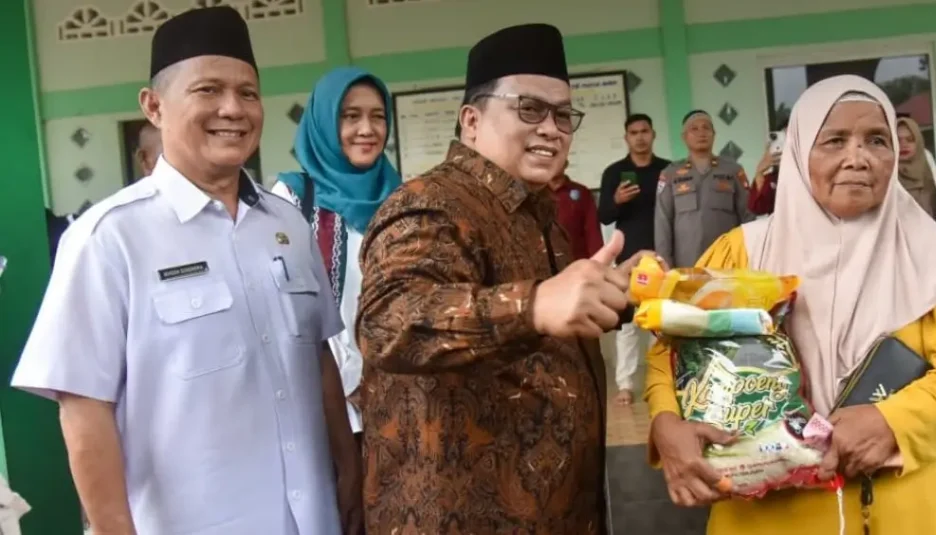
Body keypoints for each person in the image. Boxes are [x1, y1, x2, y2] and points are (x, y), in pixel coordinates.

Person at [10, 7, 361, 535]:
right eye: (208, 90)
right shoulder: (109, 238)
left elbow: (318, 359)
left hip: (311, 519)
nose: (233, 109)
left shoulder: (286, 223)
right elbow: (84, 409)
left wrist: (350, 472)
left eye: (248, 92)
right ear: (153, 106)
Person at [643, 75, 936, 534]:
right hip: (762, 513)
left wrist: (891, 422)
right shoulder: (743, 252)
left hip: (895, 510)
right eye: (834, 141)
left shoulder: (931, 259)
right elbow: (669, 353)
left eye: (877, 140)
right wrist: (666, 422)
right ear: (797, 153)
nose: (857, 158)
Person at [356, 23, 657, 534]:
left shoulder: (537, 213)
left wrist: (616, 294)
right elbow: (388, 321)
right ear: (471, 121)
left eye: (563, 115)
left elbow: (546, 336)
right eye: (530, 109)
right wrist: (534, 305)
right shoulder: (431, 202)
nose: (552, 129)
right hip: (466, 517)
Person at [272, 66, 402, 455]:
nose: (367, 129)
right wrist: (348, 383)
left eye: (378, 116)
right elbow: (284, 307)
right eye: (351, 116)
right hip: (321, 407)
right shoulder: (291, 199)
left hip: (396, 406)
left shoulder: (404, 198)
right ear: (326, 122)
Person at [598, 113, 671, 405]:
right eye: (633, 132)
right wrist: (616, 200)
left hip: (664, 256)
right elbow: (603, 215)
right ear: (626, 137)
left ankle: (661, 381)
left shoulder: (668, 170)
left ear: (653, 134)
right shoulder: (614, 172)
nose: (640, 137)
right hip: (629, 259)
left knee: (663, 324)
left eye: (644, 131)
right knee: (628, 326)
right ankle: (625, 385)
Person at [654, 110, 754, 269]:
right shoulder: (670, 174)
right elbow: (662, 222)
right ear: (684, 137)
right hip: (686, 264)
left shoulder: (733, 170)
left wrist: (751, 256)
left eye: (706, 128)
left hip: (727, 263)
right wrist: (664, 263)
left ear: (714, 134)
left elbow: (748, 216)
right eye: (694, 129)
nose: (701, 133)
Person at [550, 160, 603, 260]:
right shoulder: (534, 194)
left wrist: (598, 262)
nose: (552, 165)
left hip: (577, 262)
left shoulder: (582, 192)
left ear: (565, 163)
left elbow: (592, 232)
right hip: (545, 266)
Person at [896, 116, 936, 223]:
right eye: (898, 140)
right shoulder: (887, 172)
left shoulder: (926, 162)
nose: (904, 145)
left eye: (910, 140)